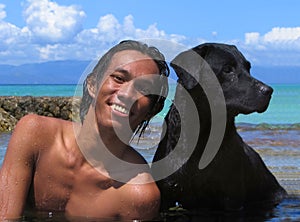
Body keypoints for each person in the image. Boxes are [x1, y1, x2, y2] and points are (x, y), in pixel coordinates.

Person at [0, 40, 169, 220]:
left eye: (143, 89)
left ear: (152, 110)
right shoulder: (35, 135)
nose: (127, 94)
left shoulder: (139, 194)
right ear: (92, 84)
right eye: (119, 78)